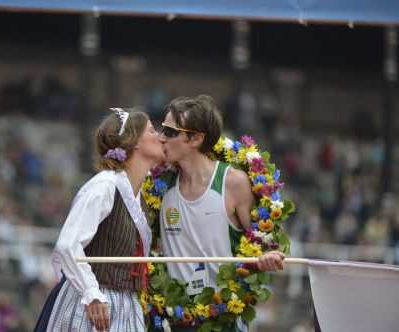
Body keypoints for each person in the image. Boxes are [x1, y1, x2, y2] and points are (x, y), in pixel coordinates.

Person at [159, 95, 284, 331]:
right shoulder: (159, 186)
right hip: (175, 319)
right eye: (161, 129)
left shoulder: (233, 182)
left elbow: (264, 242)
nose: (161, 137)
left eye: (170, 131)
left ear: (195, 138)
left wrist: (267, 257)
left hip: (223, 319)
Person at [34, 107, 165, 332]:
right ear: (134, 142)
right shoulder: (104, 186)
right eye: (152, 130)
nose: (160, 136)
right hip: (91, 307)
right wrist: (91, 294)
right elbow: (68, 245)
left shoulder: (140, 196)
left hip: (126, 306)